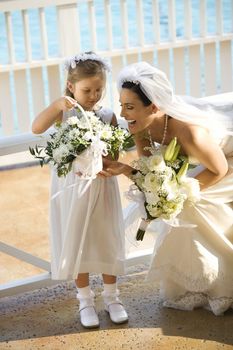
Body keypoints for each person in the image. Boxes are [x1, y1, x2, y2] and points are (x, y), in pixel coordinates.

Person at [101, 61, 233, 316]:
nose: (123, 114)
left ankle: (221, 282)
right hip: (215, 163)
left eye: (130, 107)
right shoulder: (140, 129)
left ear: (154, 106)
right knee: (177, 208)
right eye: (121, 105)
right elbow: (151, 175)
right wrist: (125, 169)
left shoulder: (190, 133)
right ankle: (195, 282)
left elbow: (219, 171)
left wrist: (177, 194)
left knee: (190, 206)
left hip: (227, 163)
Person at [32, 52, 128, 328]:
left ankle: (112, 297)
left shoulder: (108, 115)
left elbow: (114, 153)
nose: (94, 95)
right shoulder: (65, 113)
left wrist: (105, 164)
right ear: (72, 86)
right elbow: (37, 127)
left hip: (101, 186)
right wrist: (56, 105)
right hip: (73, 187)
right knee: (79, 239)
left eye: (99, 89)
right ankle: (85, 299)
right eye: (87, 90)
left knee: (106, 237)